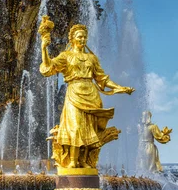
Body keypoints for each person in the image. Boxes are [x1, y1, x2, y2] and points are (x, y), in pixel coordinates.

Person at [40, 23, 134, 169]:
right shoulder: (66, 56)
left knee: (88, 128)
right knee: (75, 127)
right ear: (72, 39)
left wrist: (119, 87)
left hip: (91, 95)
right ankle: (72, 160)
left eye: (84, 37)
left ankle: (83, 161)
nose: (83, 39)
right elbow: (49, 68)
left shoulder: (92, 58)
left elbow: (102, 78)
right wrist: (44, 48)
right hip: (74, 93)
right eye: (79, 37)